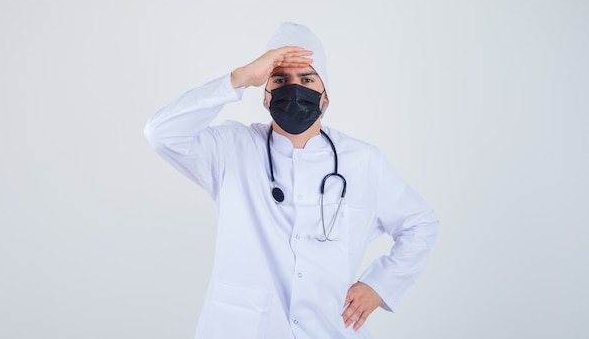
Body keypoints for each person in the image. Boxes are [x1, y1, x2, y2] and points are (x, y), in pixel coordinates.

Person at [144, 22, 438, 339]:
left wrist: (379, 285)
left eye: (307, 79)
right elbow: (161, 134)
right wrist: (240, 77)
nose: (294, 89)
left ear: (325, 94)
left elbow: (420, 222)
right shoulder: (232, 149)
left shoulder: (363, 160)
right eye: (280, 79)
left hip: (329, 329)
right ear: (265, 93)